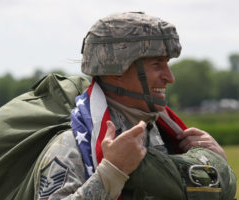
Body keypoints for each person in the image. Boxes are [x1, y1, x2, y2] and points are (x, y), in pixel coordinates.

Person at [34, 12, 235, 199]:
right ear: (116, 72)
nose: (170, 77)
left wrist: (215, 164)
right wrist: (108, 175)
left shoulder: (166, 135)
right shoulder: (73, 146)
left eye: (167, 64)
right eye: (157, 64)